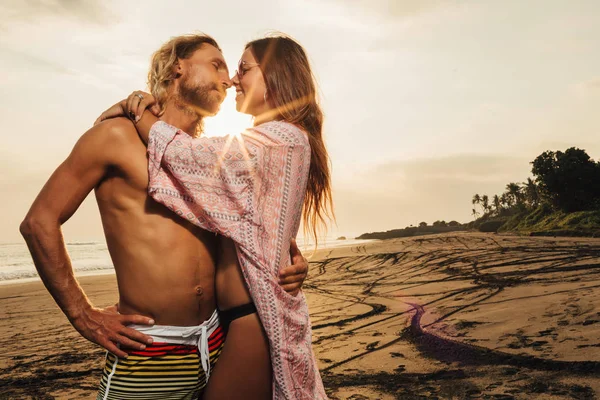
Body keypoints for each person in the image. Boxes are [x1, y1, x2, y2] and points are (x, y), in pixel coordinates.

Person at [20, 33, 309, 400]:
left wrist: (291, 256)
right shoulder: (114, 136)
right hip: (150, 348)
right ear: (179, 66)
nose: (227, 79)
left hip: (220, 339)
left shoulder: (207, 157)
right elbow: (38, 222)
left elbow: (253, 222)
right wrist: (83, 314)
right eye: (217, 65)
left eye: (233, 69)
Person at [98, 34, 333, 399]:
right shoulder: (271, 141)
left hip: (250, 320)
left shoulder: (280, 139)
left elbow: (187, 157)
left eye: (243, 69)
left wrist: (139, 109)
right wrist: (290, 251)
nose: (234, 79)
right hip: (225, 324)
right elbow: (251, 217)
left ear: (276, 76)